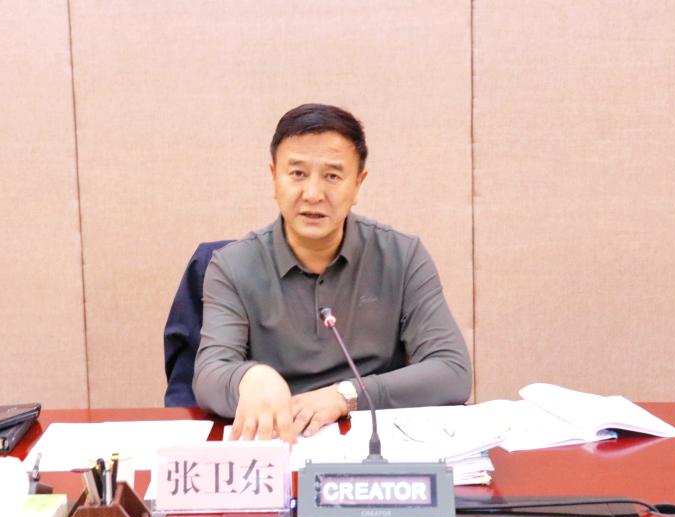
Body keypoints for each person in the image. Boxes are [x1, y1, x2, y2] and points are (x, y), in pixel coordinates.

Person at [193, 103, 471, 444]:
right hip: (277, 442)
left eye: (332, 176)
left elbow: (451, 371)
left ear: (358, 184)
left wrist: (345, 395)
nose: (313, 194)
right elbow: (209, 375)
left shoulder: (402, 257)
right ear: (274, 178)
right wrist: (249, 377)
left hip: (372, 446)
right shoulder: (232, 266)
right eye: (297, 174)